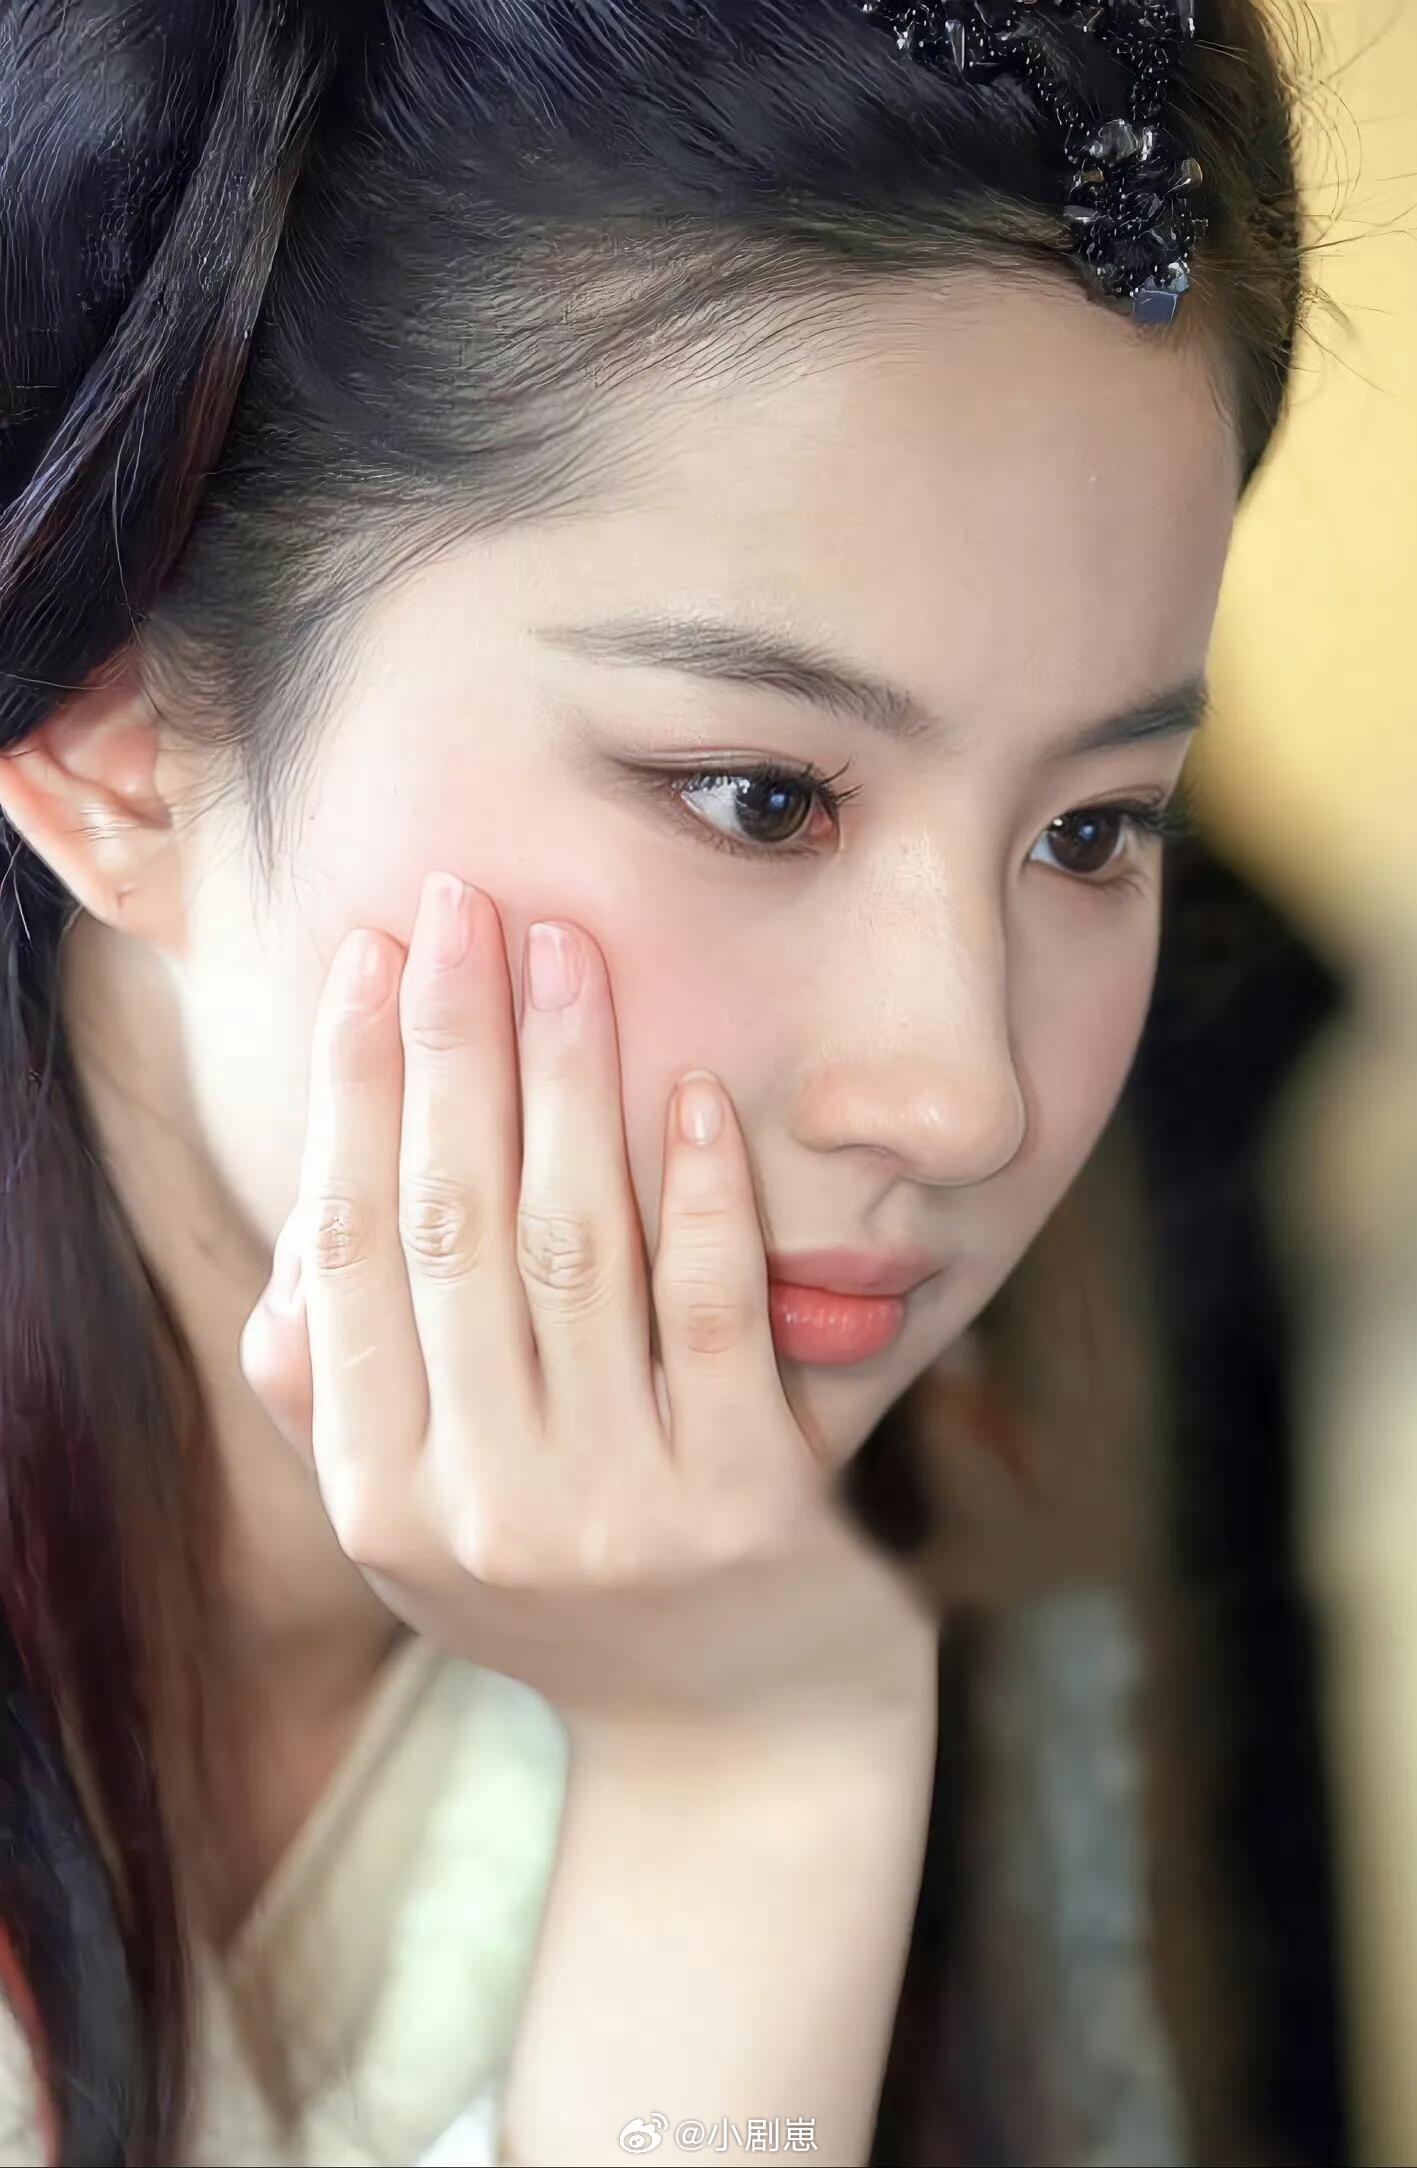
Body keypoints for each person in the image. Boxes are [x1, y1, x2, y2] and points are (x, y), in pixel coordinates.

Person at [0, 2, 1315, 2162]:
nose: (963, 1099)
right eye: (760, 797)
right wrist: (752, 1788)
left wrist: (776, 1739)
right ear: (117, 735)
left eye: (1093, 832)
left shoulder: (959, 1524)